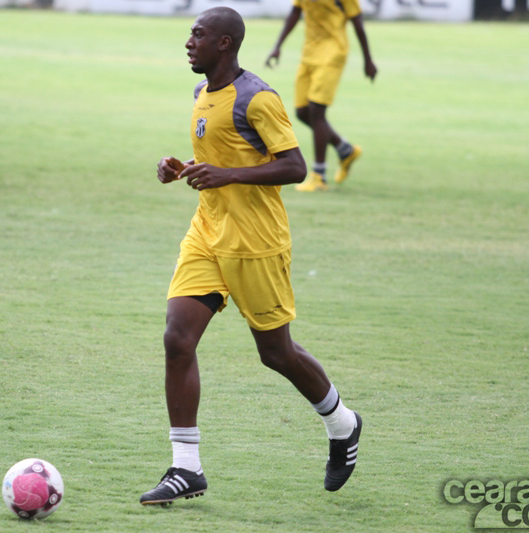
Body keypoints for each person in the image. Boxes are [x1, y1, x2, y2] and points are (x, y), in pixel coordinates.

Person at [140, 7, 362, 506]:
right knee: (177, 338)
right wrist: (182, 167)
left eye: (197, 34)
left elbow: (295, 166)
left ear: (224, 43)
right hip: (207, 233)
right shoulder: (202, 93)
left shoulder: (257, 97)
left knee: (275, 352)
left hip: (255, 243)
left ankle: (342, 423)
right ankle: (185, 467)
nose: (188, 42)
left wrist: (229, 175)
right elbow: (222, 156)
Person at [266, 0, 377, 191]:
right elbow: (295, 12)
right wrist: (278, 46)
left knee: (317, 111)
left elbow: (358, 23)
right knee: (302, 112)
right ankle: (345, 150)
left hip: (333, 53)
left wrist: (368, 60)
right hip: (309, 53)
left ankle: (319, 177)